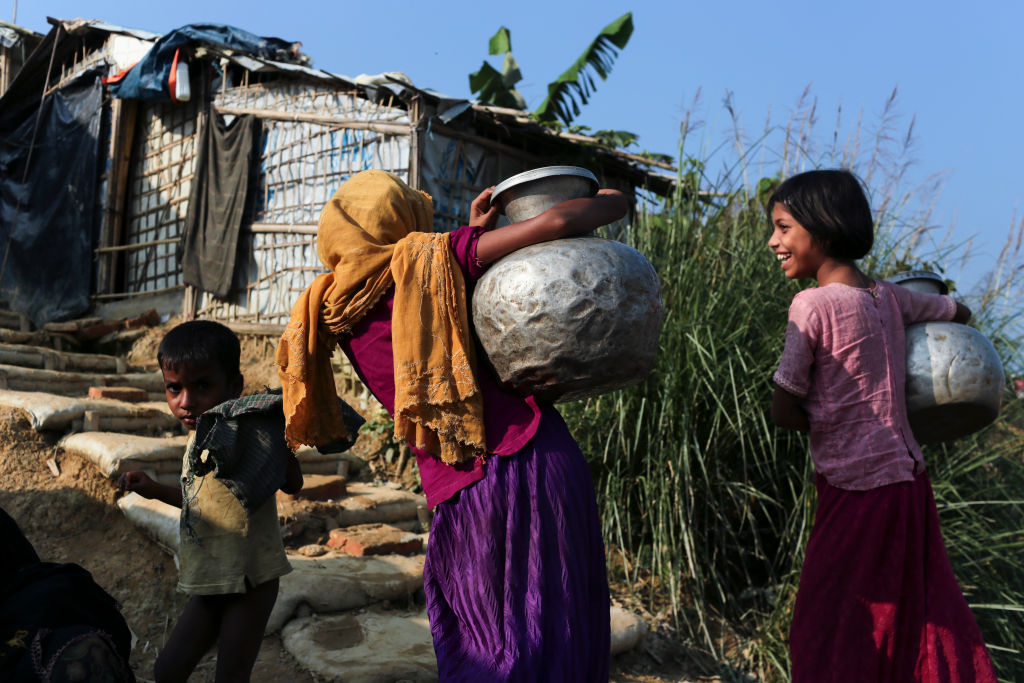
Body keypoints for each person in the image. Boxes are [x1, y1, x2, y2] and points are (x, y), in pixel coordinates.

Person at [276, 169, 627, 681]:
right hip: (529, 459)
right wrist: (614, 200)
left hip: (458, 489)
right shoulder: (432, 258)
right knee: (554, 627)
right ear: (401, 218)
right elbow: (556, 220)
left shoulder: (332, 309)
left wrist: (469, 235)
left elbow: (437, 325)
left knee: (482, 641)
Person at [768, 169, 997, 682]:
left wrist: (833, 419)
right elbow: (955, 310)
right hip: (909, 483)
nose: (773, 241)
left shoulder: (812, 305)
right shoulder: (890, 297)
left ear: (820, 230)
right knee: (915, 615)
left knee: (832, 623)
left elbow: (783, 409)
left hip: (855, 490)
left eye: (783, 228)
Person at [119, 320, 302, 683]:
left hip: (251, 580)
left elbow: (293, 484)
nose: (185, 401)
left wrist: (281, 442)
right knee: (167, 670)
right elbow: (201, 501)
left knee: (231, 675)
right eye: (174, 388)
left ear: (233, 386)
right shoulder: (198, 439)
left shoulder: (249, 432)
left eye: (202, 386)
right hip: (211, 579)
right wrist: (154, 489)